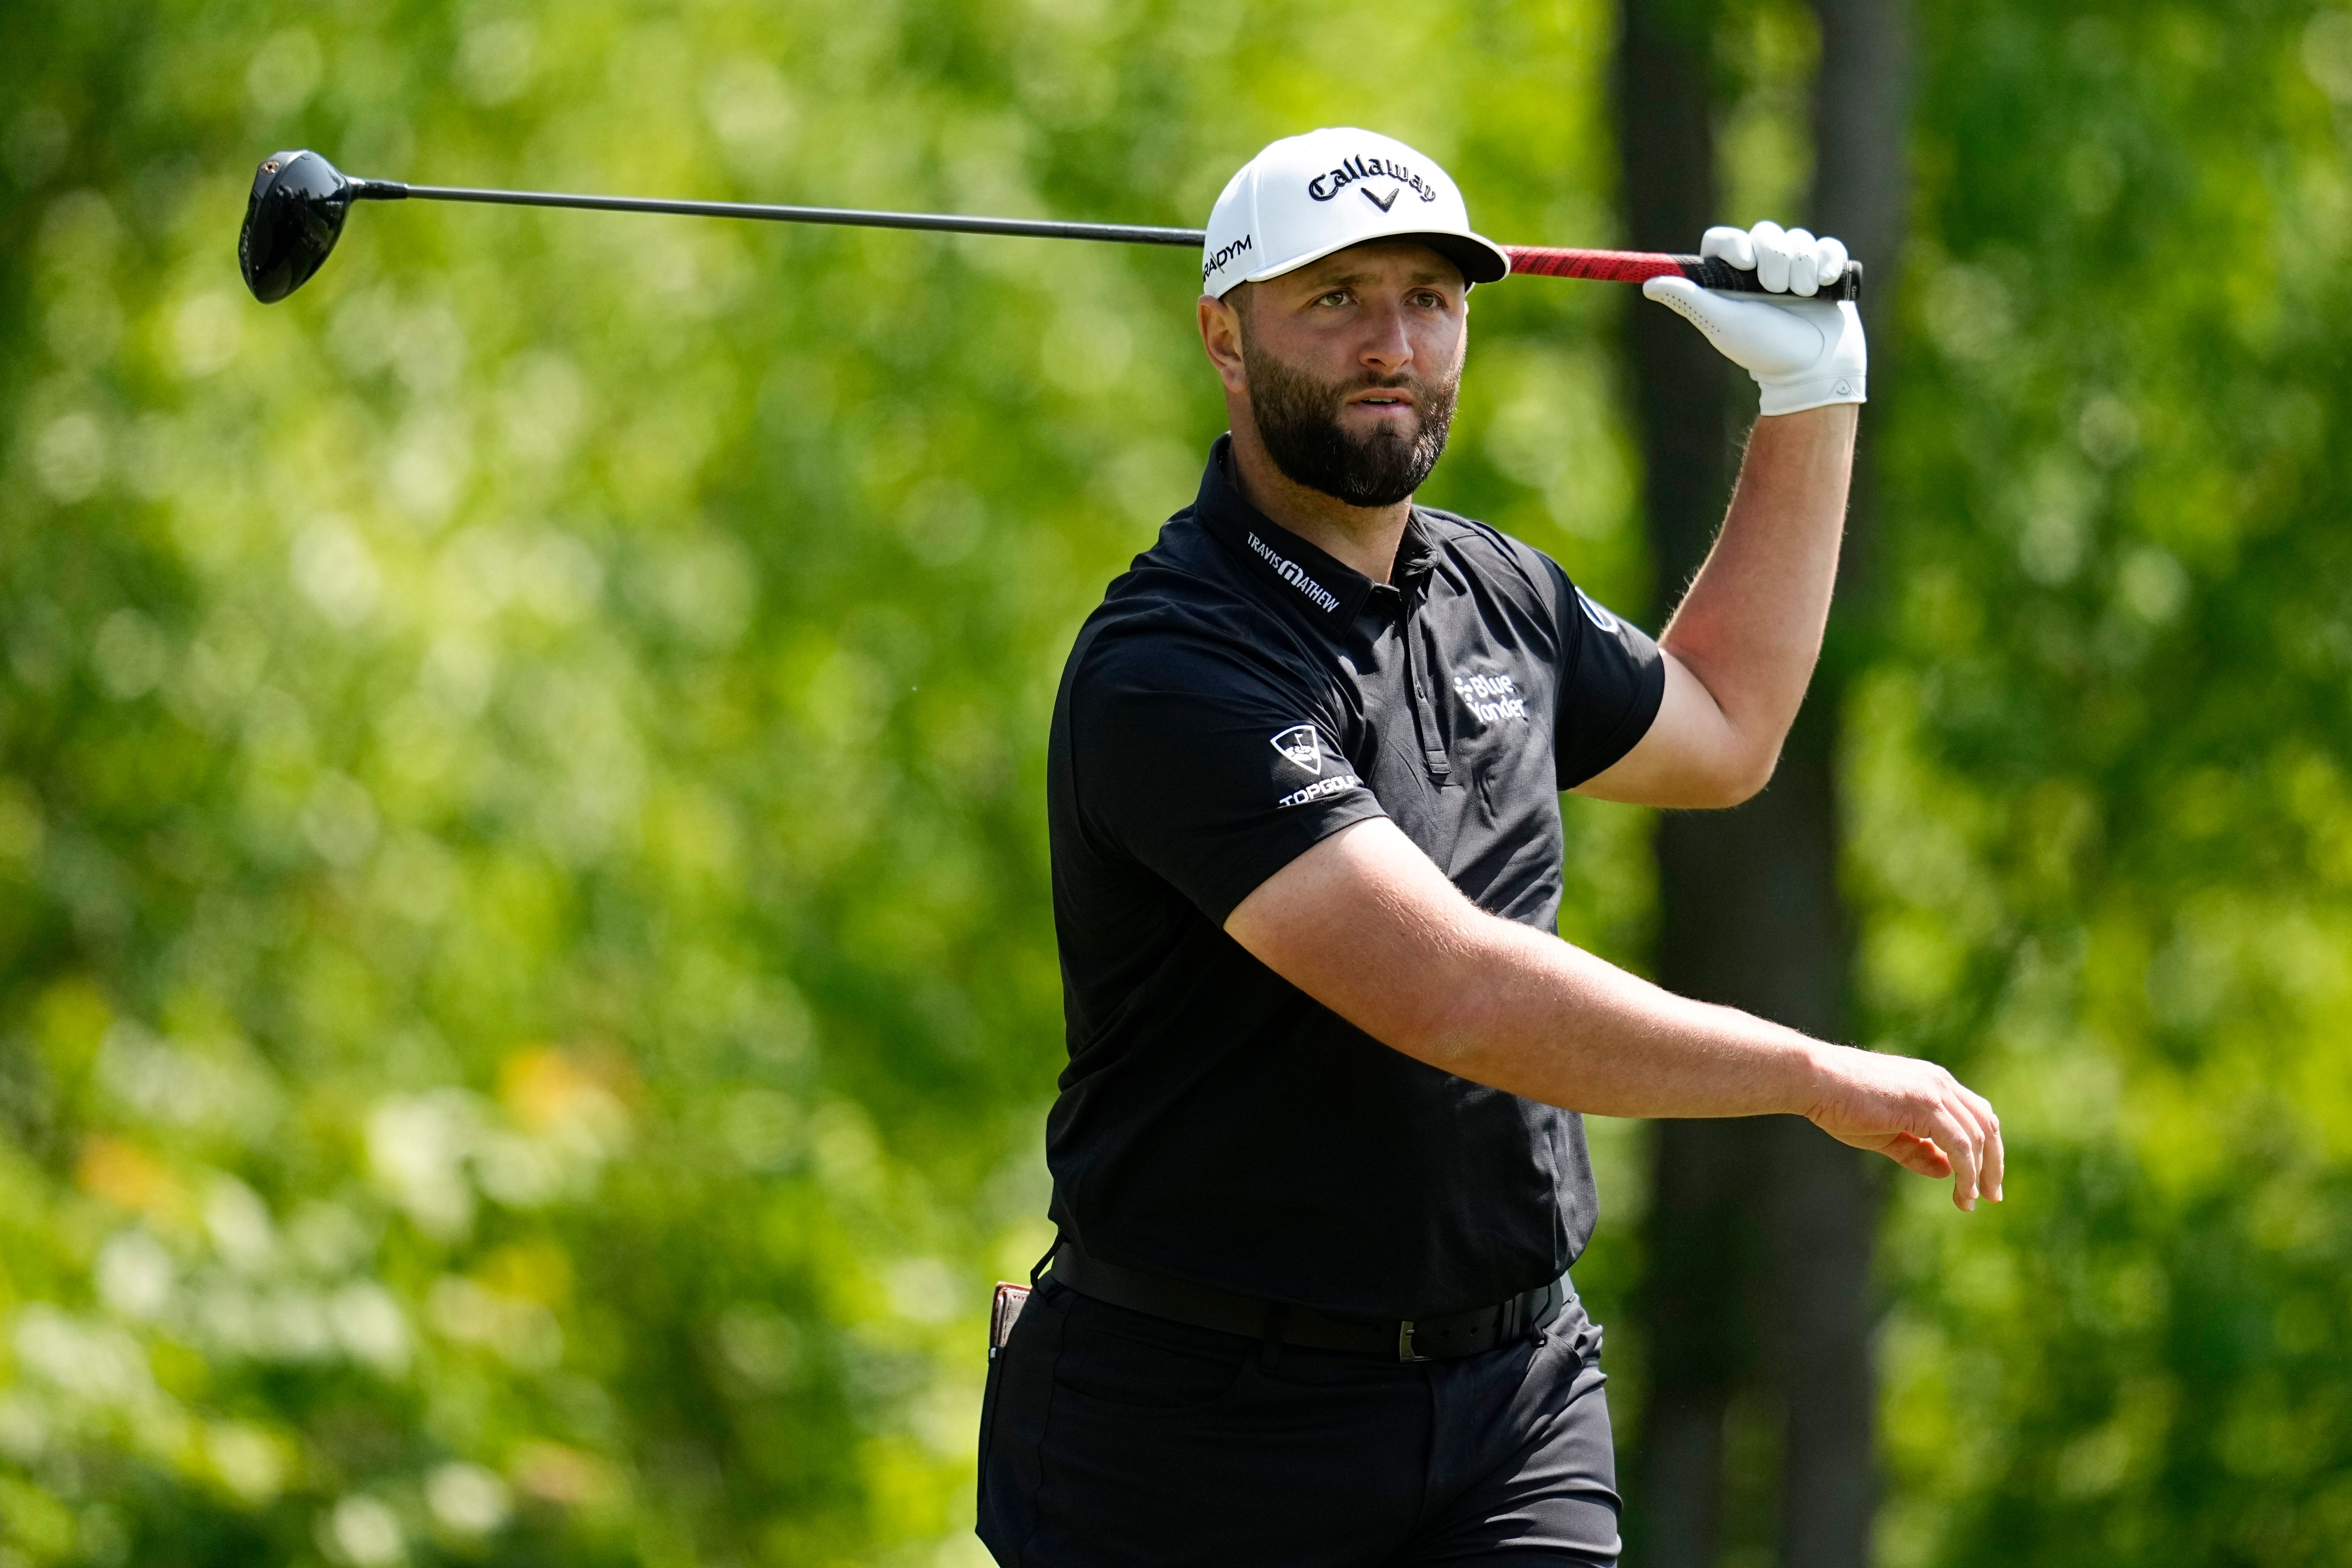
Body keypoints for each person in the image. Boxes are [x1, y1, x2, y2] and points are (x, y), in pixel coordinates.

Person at [977, 127, 2001, 1567]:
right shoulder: (1170, 662)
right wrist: (1806, 1072)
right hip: (1195, 1427)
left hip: (1513, 1401)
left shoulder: (1493, 592)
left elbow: (1723, 728)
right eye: (1333, 300)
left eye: (1431, 299)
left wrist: (1811, 396)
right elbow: (1453, 996)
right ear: (1223, 331)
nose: (1391, 344)